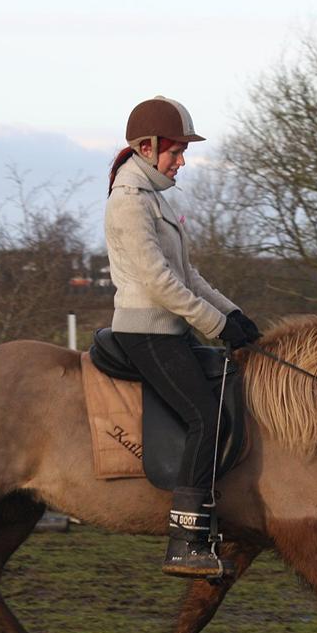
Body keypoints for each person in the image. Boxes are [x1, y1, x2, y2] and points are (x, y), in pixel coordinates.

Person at [104, 96, 262, 578]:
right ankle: (186, 539)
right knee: (204, 418)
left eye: (182, 151)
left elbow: (188, 274)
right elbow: (159, 283)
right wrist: (214, 326)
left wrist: (235, 316)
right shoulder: (130, 202)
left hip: (168, 327)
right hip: (145, 330)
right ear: (147, 148)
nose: (181, 160)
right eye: (175, 151)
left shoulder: (155, 199)